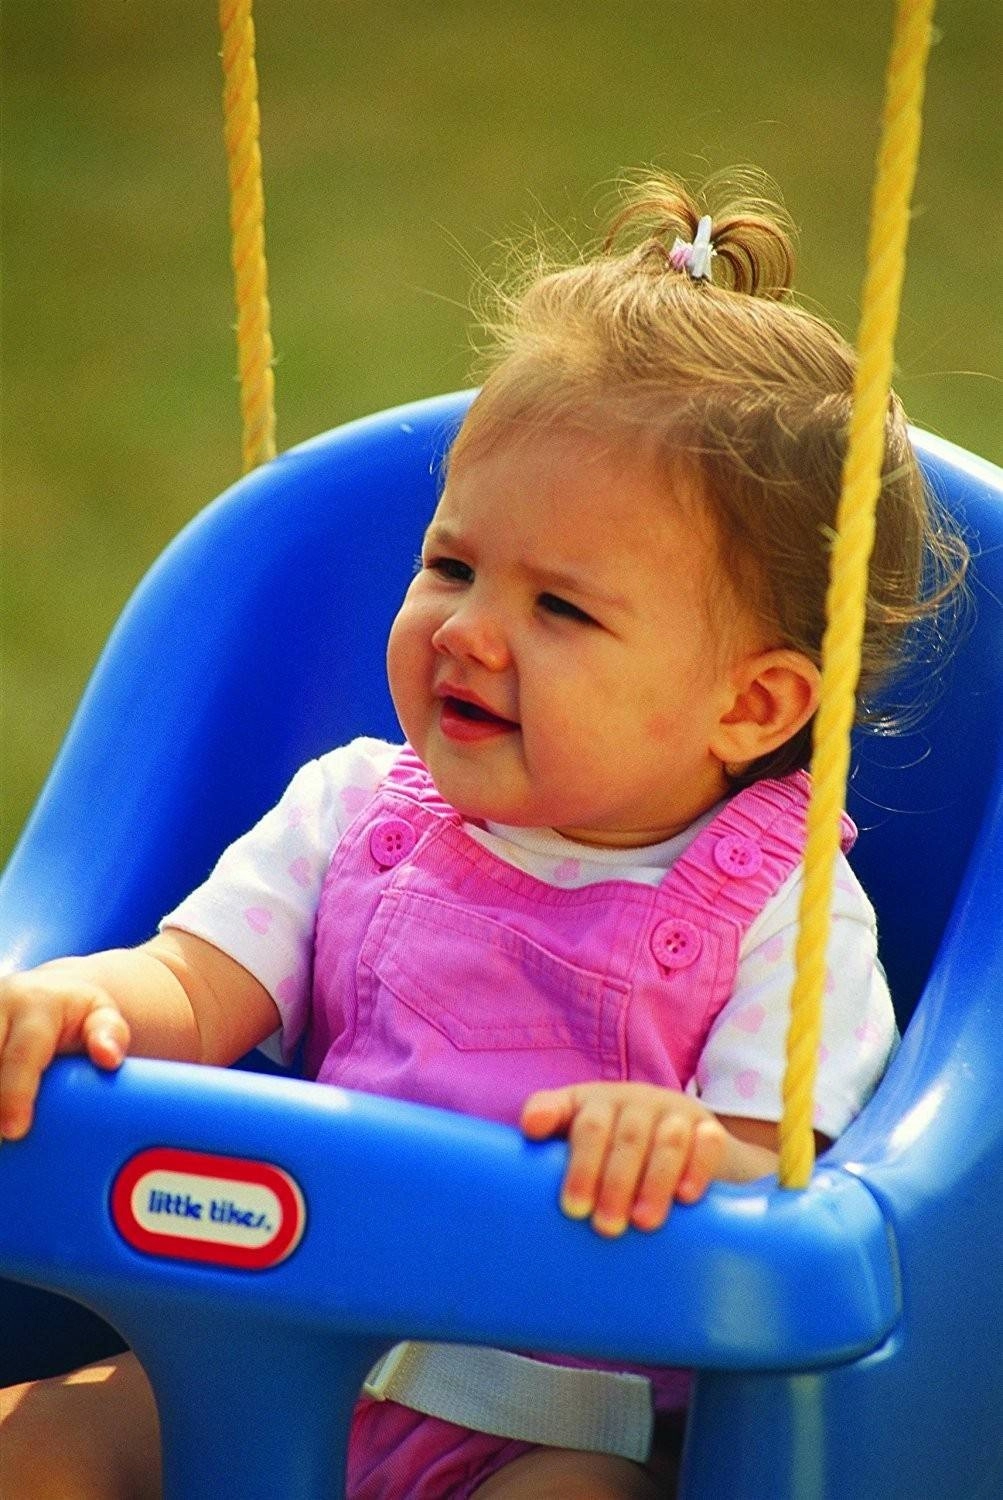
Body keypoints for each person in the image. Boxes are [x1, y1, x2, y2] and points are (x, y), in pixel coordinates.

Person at [0, 170, 967, 1500]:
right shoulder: (350, 810)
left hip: (550, 1429)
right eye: (451, 566)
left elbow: (782, 1181)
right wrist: (75, 1004)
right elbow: (189, 986)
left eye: (560, 608)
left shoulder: (784, 915)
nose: (466, 630)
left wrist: (686, 1145)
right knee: (38, 1443)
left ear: (751, 705)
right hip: (263, 1349)